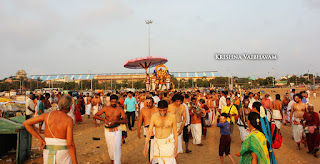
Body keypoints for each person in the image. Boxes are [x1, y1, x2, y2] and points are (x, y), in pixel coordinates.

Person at [23, 95, 78, 164]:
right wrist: (75, 162)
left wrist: (40, 139)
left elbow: (26, 123)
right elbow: (70, 144)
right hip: (62, 152)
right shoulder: (68, 120)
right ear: (70, 107)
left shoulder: (47, 115)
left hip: (48, 150)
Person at [94, 95, 128, 164]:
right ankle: (112, 160)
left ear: (117, 101)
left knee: (117, 147)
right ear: (110, 101)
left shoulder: (120, 109)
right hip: (108, 130)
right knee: (110, 147)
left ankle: (117, 162)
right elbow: (95, 116)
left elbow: (125, 120)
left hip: (117, 129)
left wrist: (116, 121)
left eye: (115, 102)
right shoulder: (105, 108)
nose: (114, 103)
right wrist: (104, 120)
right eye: (112, 101)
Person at [137, 96, 158, 163]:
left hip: (155, 129)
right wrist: (138, 130)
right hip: (146, 129)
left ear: (153, 103)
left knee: (155, 145)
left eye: (150, 103)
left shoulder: (156, 109)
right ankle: (151, 161)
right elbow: (140, 120)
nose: (148, 104)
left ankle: (156, 161)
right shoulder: (143, 109)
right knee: (149, 146)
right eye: (147, 102)